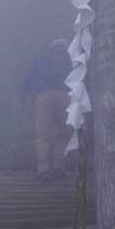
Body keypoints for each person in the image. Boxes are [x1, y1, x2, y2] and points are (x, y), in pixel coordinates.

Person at [20, 38, 72, 177]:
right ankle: (58, 167)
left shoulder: (42, 58)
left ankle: (43, 169)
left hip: (43, 96)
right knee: (64, 133)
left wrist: (24, 96)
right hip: (65, 97)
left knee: (43, 135)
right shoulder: (71, 57)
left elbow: (28, 77)